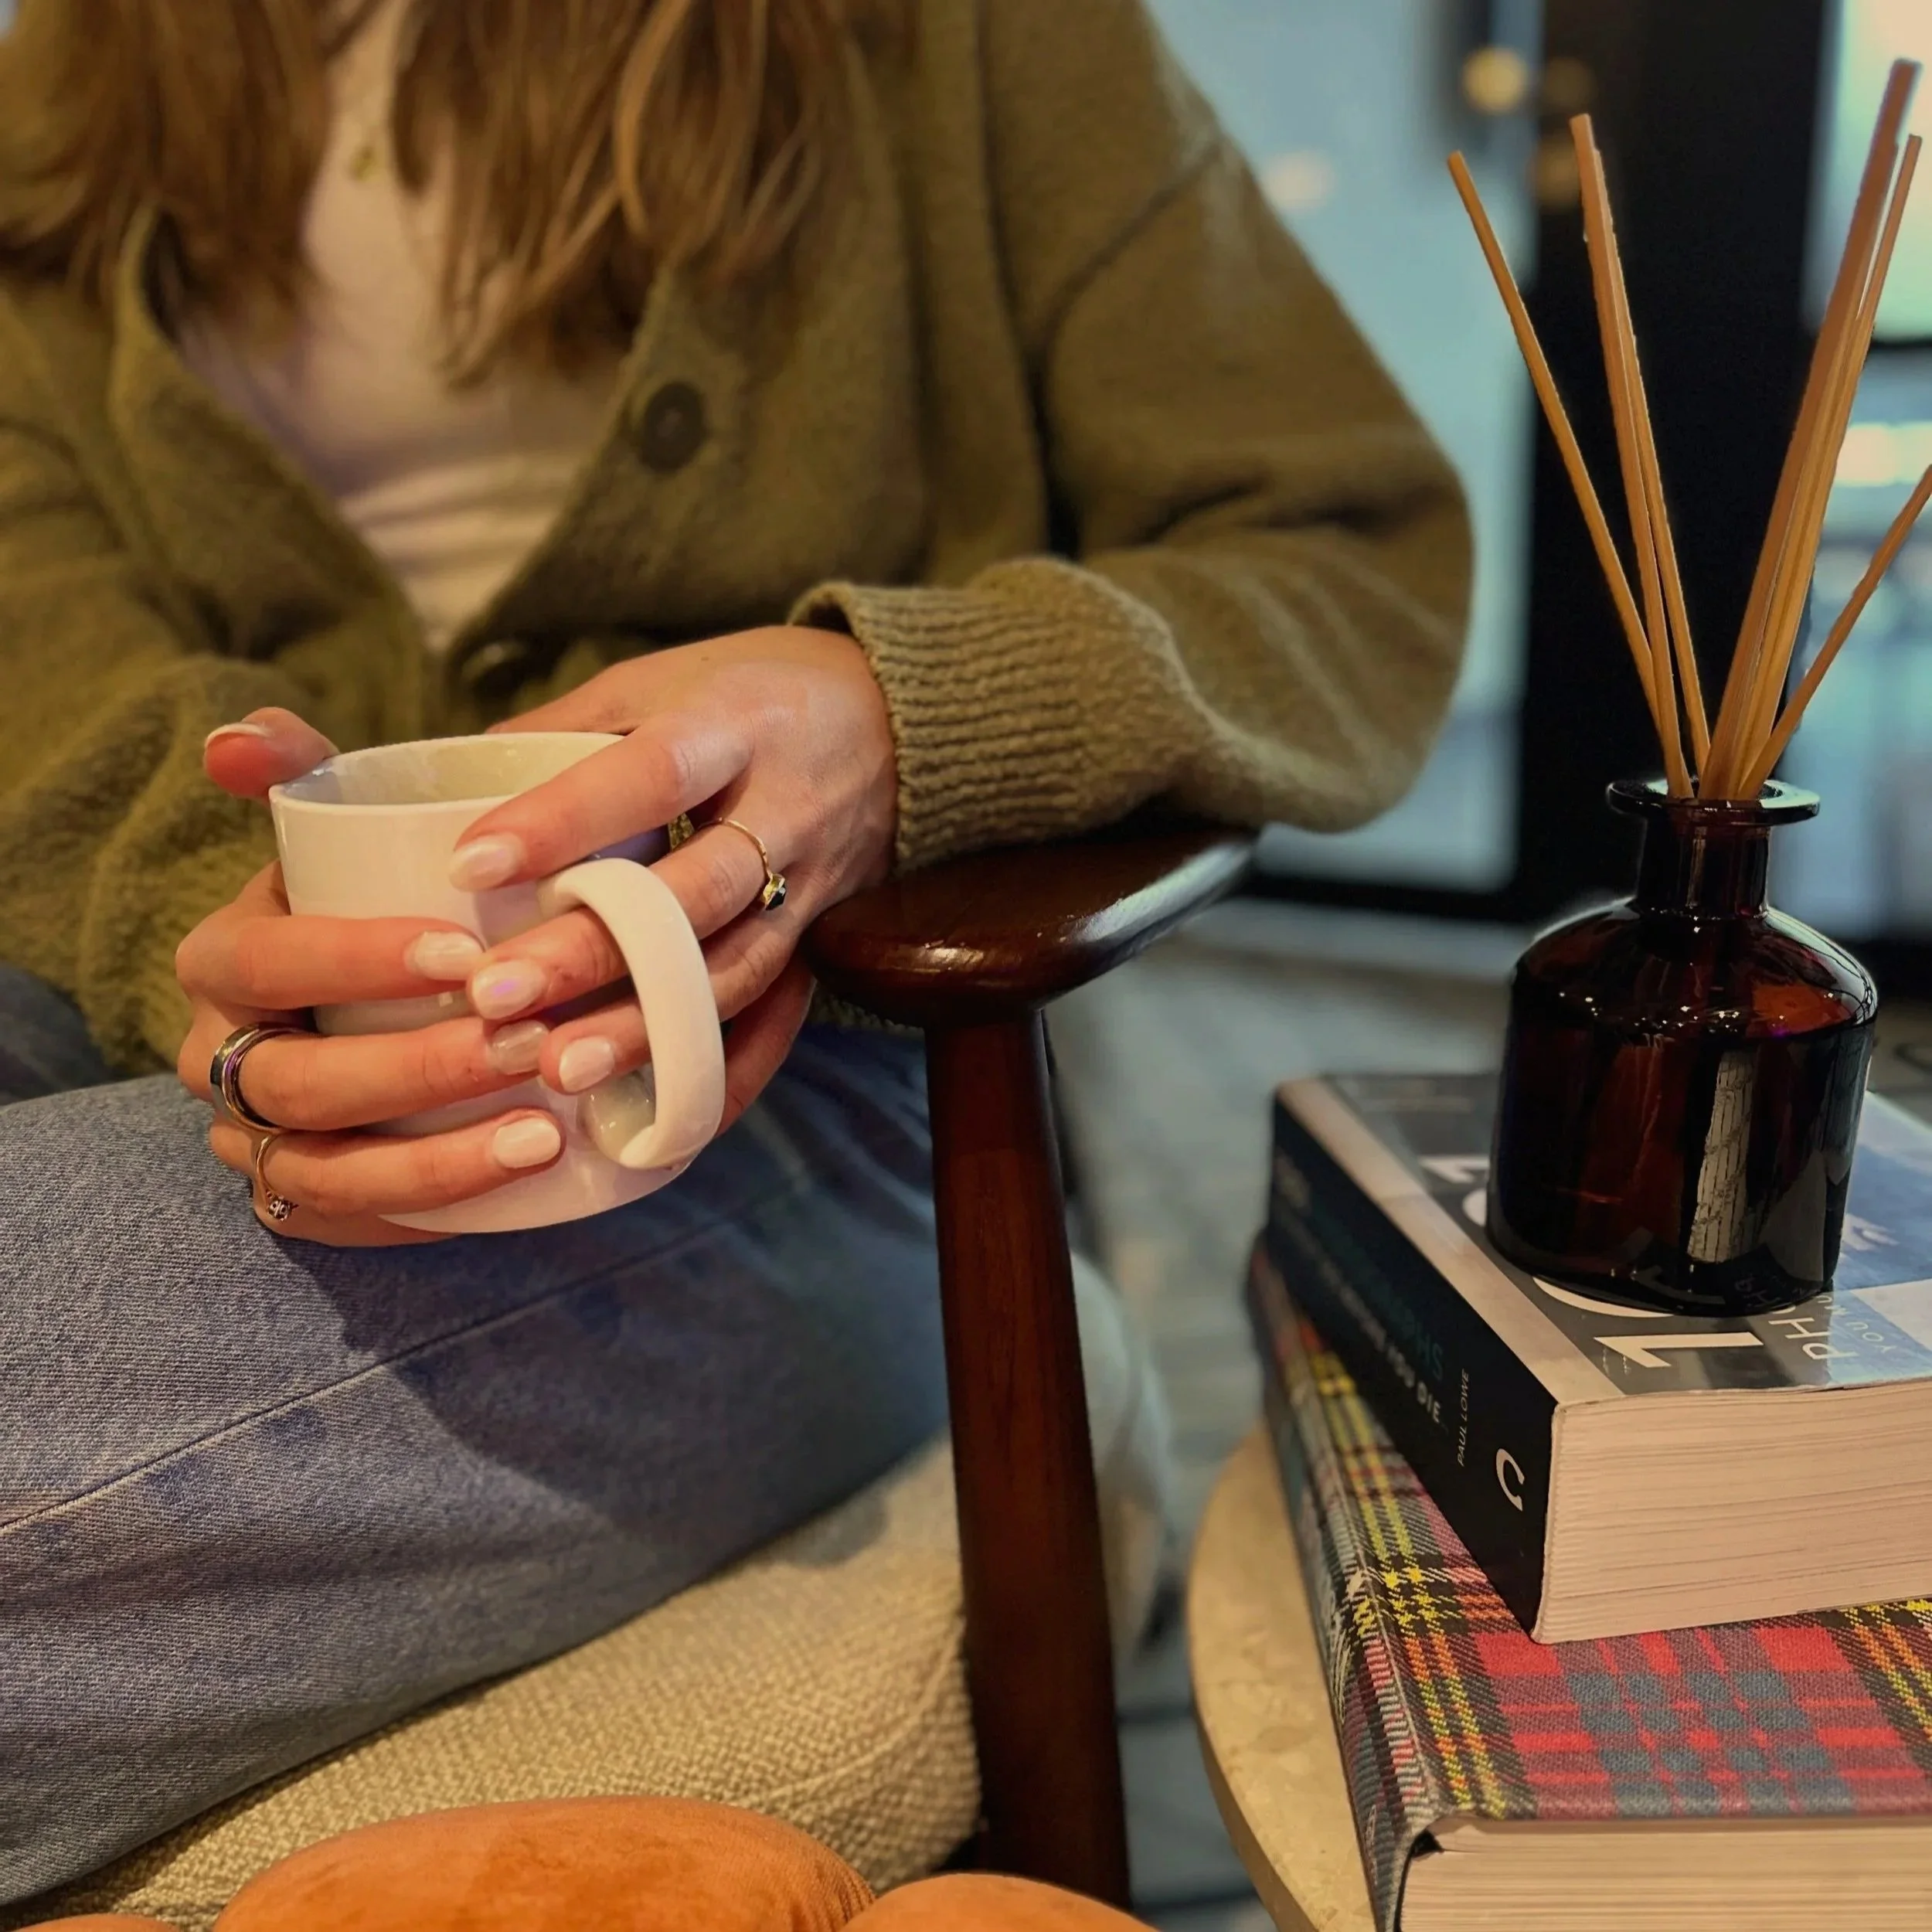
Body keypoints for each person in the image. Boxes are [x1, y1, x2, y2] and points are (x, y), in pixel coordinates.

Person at [0, 0, 1470, 1906]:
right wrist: (219, 898)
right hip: (167, 1024)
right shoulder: (78, 65)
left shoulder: (943, 38)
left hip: (781, 1085)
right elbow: (40, 625)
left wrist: (895, 709)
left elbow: (1345, 562)